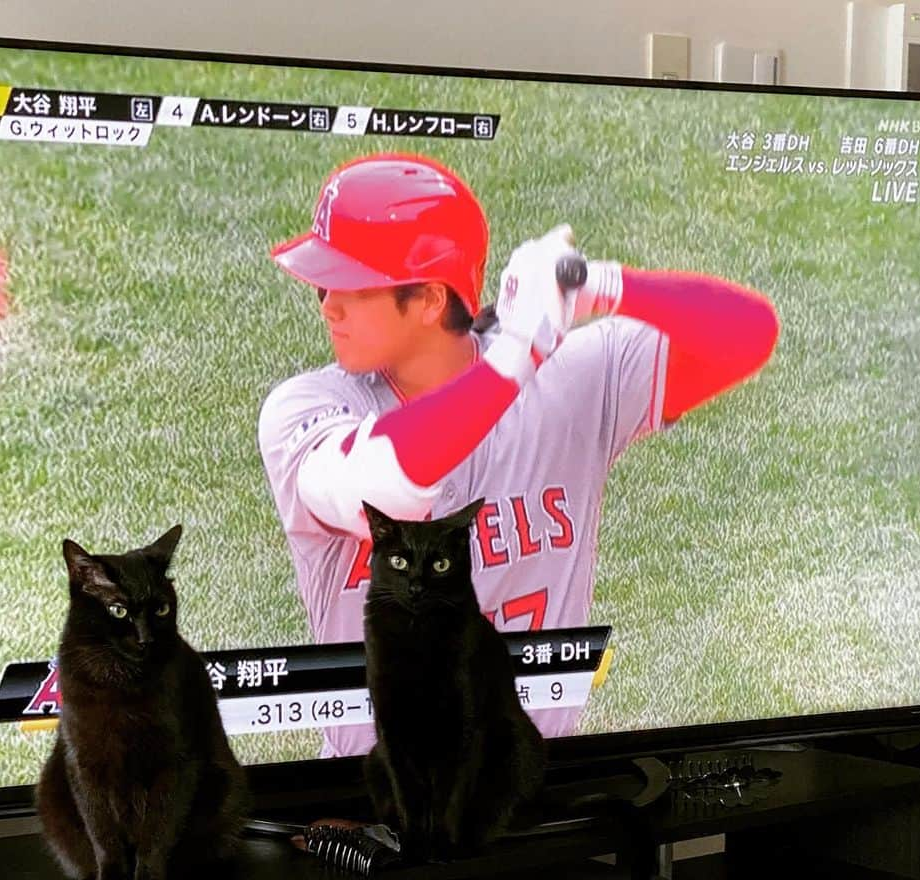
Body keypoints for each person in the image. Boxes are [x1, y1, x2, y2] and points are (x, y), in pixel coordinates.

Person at [258, 152, 779, 758]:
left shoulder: (568, 382)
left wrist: (601, 284)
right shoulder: (307, 409)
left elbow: (749, 334)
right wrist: (516, 358)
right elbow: (388, 484)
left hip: (540, 797)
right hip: (376, 803)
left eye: (350, 284)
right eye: (324, 285)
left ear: (429, 299)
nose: (327, 305)